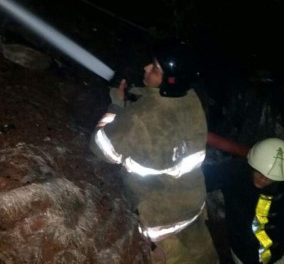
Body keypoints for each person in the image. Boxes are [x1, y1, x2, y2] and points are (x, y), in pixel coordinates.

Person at [89, 39, 219, 263]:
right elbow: (162, 108)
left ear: (169, 81)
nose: (146, 68)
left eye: (155, 68)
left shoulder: (141, 118)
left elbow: (102, 149)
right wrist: (139, 95)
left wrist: (116, 106)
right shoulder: (191, 100)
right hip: (193, 206)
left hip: (161, 223)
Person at [203, 137, 284, 264]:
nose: (263, 179)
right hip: (247, 254)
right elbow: (200, 179)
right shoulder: (233, 173)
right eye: (259, 172)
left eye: (270, 177)